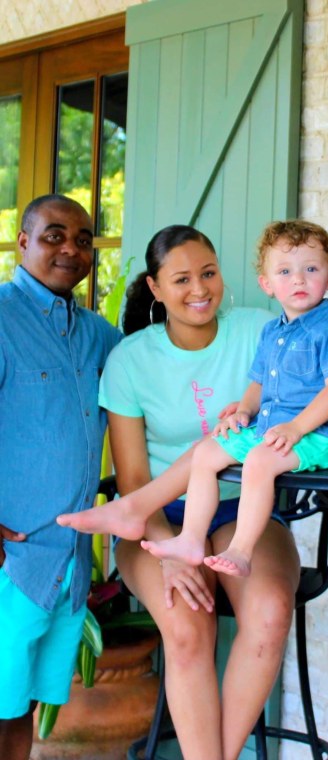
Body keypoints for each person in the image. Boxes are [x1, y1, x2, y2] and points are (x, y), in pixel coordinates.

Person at [61, 224, 301, 760]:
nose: (200, 289)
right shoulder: (130, 360)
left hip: (245, 510)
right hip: (157, 520)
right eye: (182, 278)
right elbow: (134, 480)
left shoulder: (263, 332)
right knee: (188, 627)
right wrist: (169, 553)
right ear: (155, 287)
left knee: (267, 613)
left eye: (209, 273)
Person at [78, 220, 328, 578]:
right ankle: (191, 538)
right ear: (268, 284)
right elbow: (259, 382)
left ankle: (241, 550)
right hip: (276, 431)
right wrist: (244, 410)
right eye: (285, 271)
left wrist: (295, 427)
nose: (299, 280)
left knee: (260, 460)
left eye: (311, 269)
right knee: (207, 451)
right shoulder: (273, 331)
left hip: (318, 435)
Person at [0, 195, 121, 760]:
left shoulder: (101, 338)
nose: (71, 248)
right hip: (11, 561)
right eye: (53, 235)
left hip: (67, 564)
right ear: (23, 242)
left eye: (83, 239)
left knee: (20, 708)